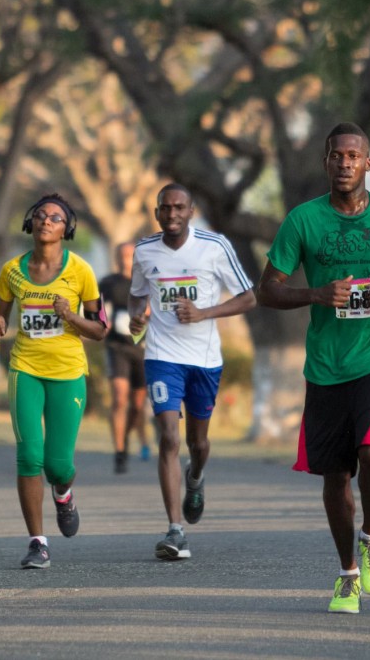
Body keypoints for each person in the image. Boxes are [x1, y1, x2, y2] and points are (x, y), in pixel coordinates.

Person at [257, 122, 370, 615]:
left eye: (354, 156)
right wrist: (315, 293)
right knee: (335, 475)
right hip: (326, 364)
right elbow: (267, 290)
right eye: (337, 155)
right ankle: (348, 574)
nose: (346, 163)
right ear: (326, 162)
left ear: (367, 163)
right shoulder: (303, 220)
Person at [128, 183, 256, 561]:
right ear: (157, 213)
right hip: (161, 356)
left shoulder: (214, 246)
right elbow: (137, 293)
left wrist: (203, 313)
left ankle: (196, 476)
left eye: (179, 208)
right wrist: (137, 316)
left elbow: (249, 297)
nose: (172, 215)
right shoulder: (144, 250)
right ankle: (175, 530)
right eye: (165, 208)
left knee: (197, 443)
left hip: (204, 360)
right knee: (169, 437)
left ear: (191, 211)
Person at [0, 193, 106, 569]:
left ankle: (64, 493)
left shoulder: (81, 271)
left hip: (68, 373)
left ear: (66, 228)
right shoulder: (12, 270)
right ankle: (38, 543)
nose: (46, 221)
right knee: (29, 456)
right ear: (30, 222)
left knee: (57, 466)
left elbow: (100, 329)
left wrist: (71, 316)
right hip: (25, 368)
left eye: (56, 218)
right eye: (40, 215)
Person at [101, 242, 151, 474]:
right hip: (117, 346)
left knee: (138, 405)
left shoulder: (148, 280)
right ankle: (120, 451)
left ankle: (126, 435)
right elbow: (98, 308)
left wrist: (148, 312)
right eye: (122, 255)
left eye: (130, 255)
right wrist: (103, 321)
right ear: (116, 257)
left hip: (142, 347)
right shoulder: (108, 283)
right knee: (120, 398)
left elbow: (158, 307)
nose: (125, 259)